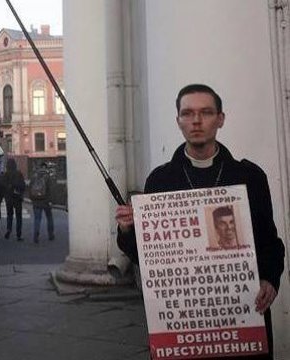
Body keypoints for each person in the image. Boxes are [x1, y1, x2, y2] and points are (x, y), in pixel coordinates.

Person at [115, 84, 285, 359]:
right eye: (188, 113)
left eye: (206, 112)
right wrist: (128, 229)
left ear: (220, 118)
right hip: (185, 322)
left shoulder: (250, 176)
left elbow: (269, 241)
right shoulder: (160, 180)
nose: (196, 120)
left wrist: (269, 279)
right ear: (178, 121)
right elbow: (145, 257)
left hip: (241, 314)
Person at [29, 162, 55, 243]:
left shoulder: (34, 177)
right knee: (49, 218)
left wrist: (32, 199)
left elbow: (30, 189)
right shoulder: (48, 177)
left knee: (37, 219)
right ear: (45, 168)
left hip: (36, 201)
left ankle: (36, 234)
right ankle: (50, 234)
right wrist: (51, 201)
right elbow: (51, 190)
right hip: (46, 201)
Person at [2, 158, 25, 241]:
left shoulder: (5, 174)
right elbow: (23, 186)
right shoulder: (19, 173)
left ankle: (9, 229)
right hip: (17, 198)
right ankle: (18, 234)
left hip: (9, 198)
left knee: (9, 215)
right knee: (19, 217)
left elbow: (3, 186)